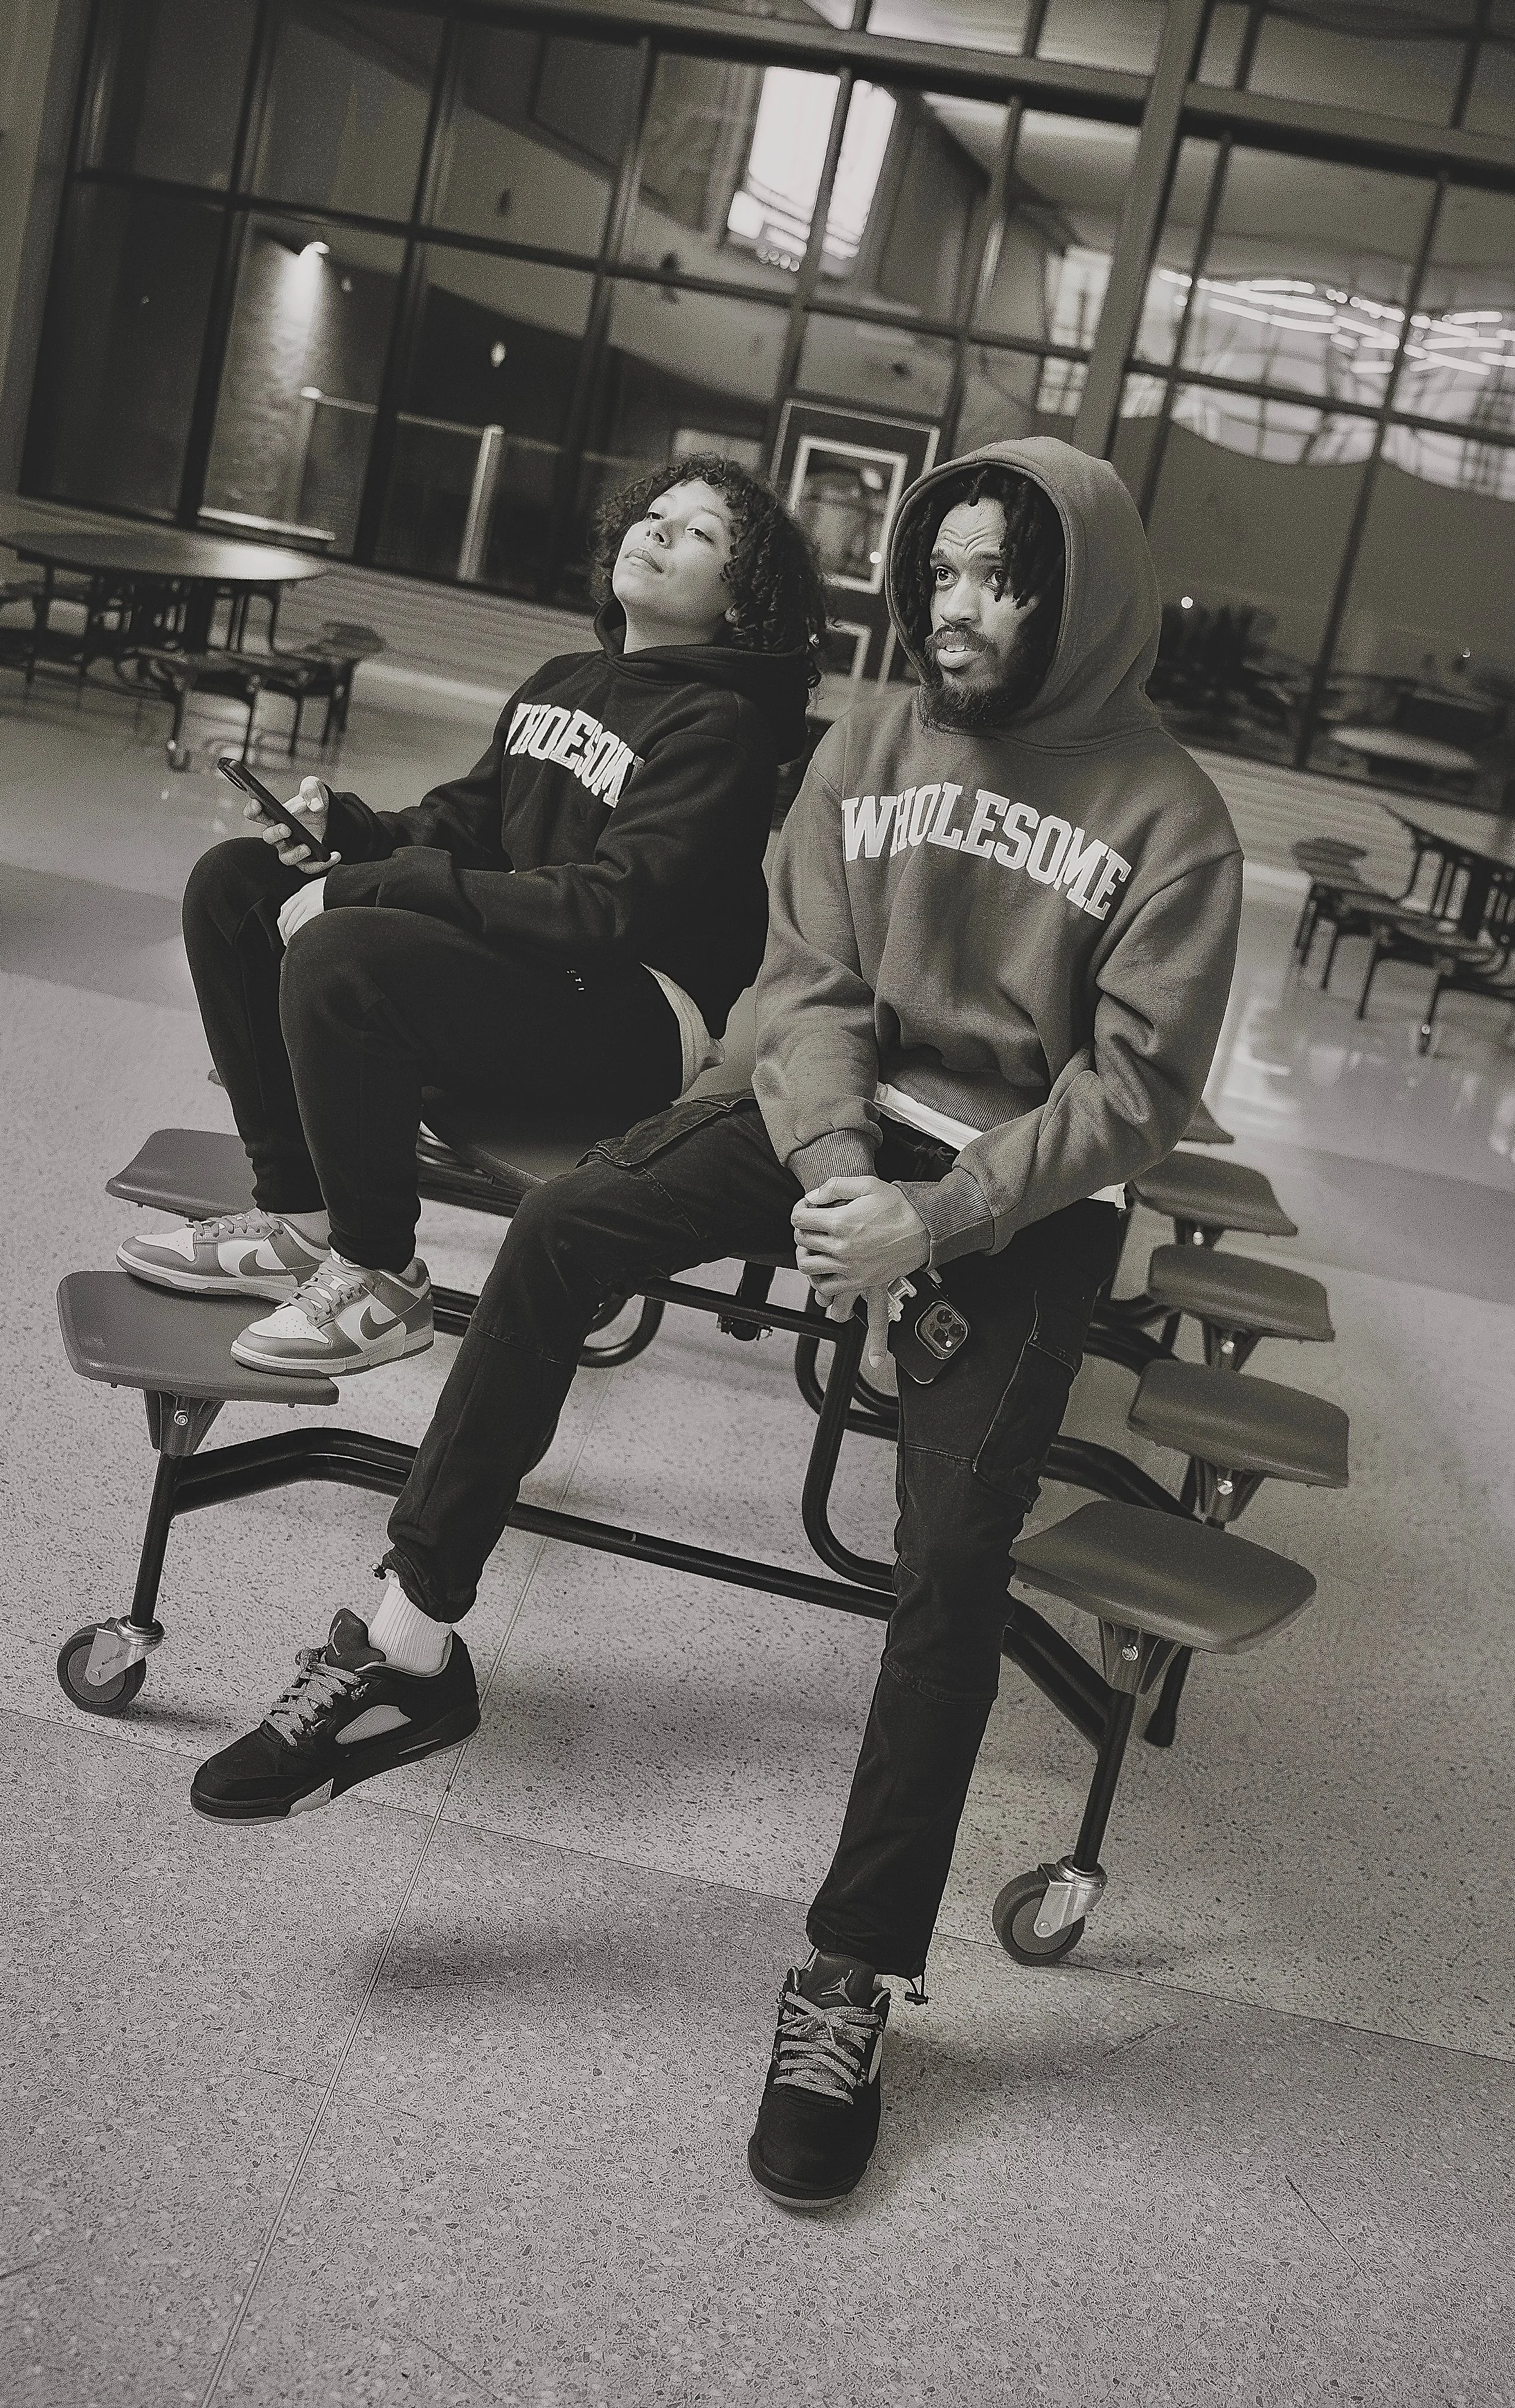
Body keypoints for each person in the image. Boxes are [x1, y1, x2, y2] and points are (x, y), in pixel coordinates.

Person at [188, 437, 1242, 2209]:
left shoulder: (1170, 820)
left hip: (1022, 1189)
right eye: (943, 572)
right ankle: (410, 1640)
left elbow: (1131, 1096)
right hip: (824, 1127)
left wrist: (939, 1215)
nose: (959, 609)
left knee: (955, 1549)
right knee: (557, 1237)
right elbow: (805, 984)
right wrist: (844, 1175)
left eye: (1003, 579)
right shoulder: (872, 740)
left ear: (1081, 596)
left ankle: (851, 1972)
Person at [117, 458, 825, 1377]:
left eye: (699, 534)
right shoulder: (563, 679)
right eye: (653, 515)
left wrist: (370, 889)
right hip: (537, 971)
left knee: (341, 953)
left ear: (742, 600)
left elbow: (603, 908)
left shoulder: (720, 729)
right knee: (233, 883)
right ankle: (299, 1216)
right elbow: (460, 828)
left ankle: (380, 1277)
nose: (658, 531)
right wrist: (349, 832)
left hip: (638, 1017)